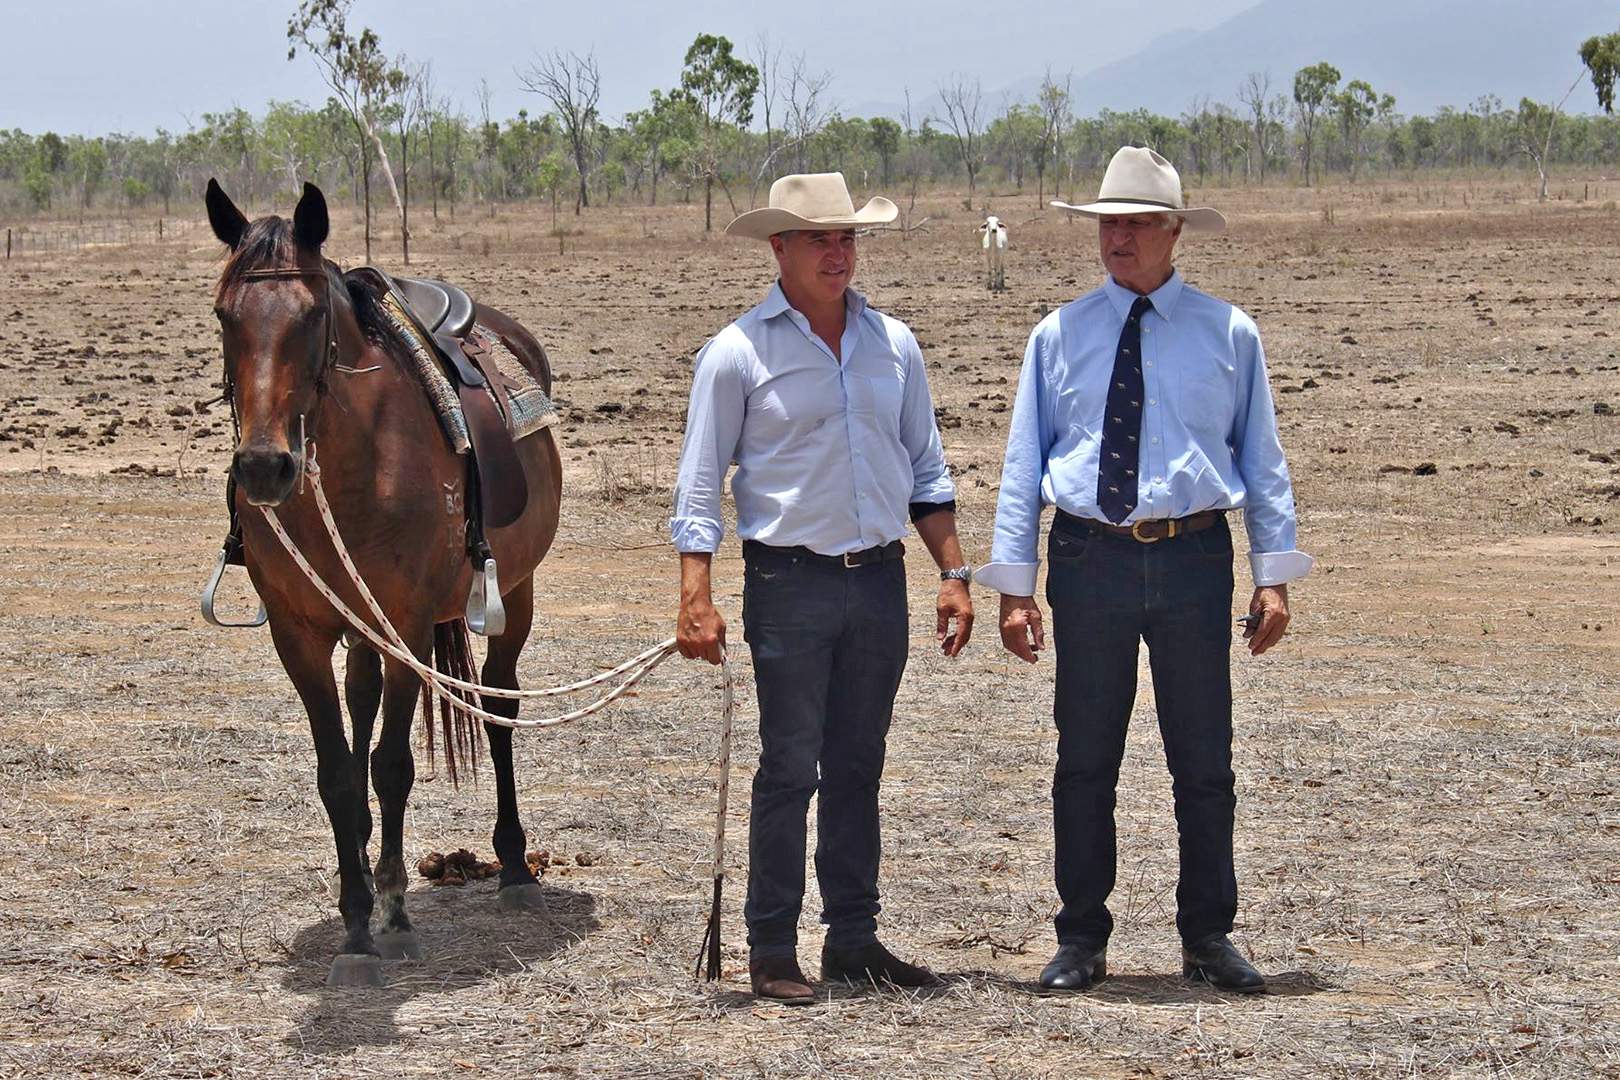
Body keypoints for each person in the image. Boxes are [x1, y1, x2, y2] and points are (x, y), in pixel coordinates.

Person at [976, 146, 1313, 994]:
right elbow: (1024, 465)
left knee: (1204, 760)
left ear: (1173, 232)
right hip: (1088, 559)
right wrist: (1014, 589)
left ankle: (1208, 936)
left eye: (1133, 224)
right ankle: (1081, 939)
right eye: (1106, 224)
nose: (1116, 238)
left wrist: (1272, 575)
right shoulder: (1058, 335)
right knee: (1085, 756)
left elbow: (1262, 460)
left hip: (1195, 557)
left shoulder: (1229, 332)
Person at [670, 173, 974, 1003]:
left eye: (846, 239)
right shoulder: (737, 353)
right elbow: (701, 484)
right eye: (818, 240)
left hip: (879, 582)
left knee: (858, 765)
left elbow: (927, 470)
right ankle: (771, 947)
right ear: (779, 249)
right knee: (788, 767)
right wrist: (695, 594)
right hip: (790, 582)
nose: (837, 254)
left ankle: (854, 941)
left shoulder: (894, 345)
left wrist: (955, 573)